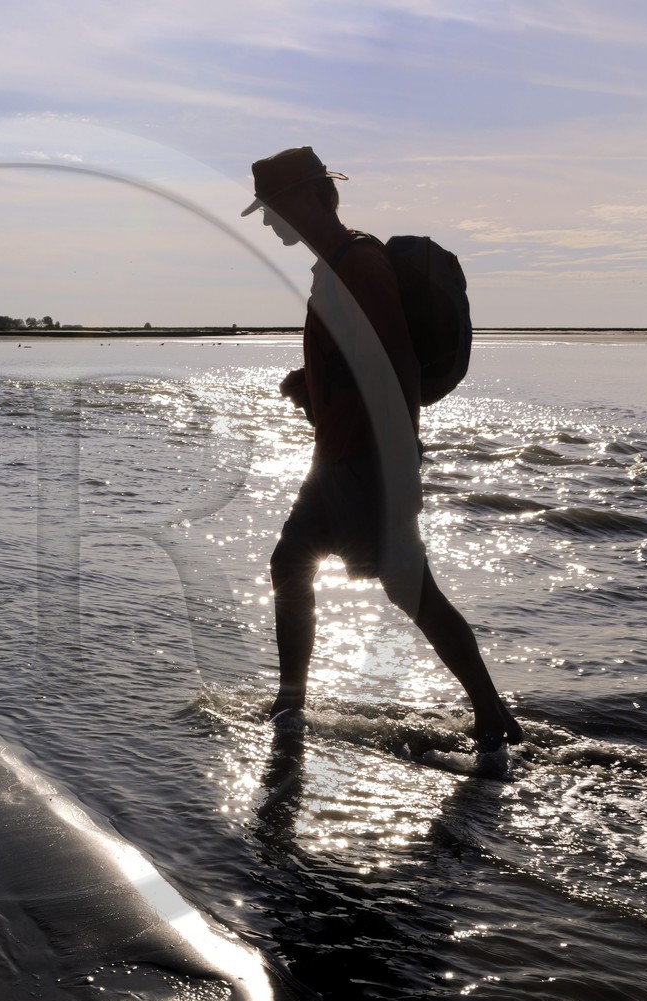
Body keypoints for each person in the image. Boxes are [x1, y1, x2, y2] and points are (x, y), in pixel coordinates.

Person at [243, 146, 522, 765]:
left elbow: (395, 363)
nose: (268, 223)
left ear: (310, 198)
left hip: (366, 461)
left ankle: (491, 713)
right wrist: (306, 379)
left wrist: (401, 466)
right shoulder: (331, 268)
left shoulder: (359, 263)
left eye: (273, 208)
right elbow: (357, 354)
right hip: (338, 456)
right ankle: (292, 704)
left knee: (408, 588)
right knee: (295, 564)